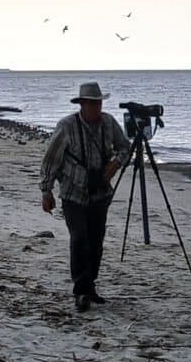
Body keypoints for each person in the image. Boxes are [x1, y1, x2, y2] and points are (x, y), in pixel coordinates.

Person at [40, 82, 130, 312]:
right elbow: (51, 160)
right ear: (82, 104)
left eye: (99, 103)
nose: (97, 107)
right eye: (92, 103)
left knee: (96, 241)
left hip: (100, 192)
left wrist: (116, 164)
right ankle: (80, 290)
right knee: (79, 239)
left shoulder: (108, 123)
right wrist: (46, 191)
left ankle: (90, 286)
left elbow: (125, 148)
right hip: (73, 193)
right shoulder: (67, 126)